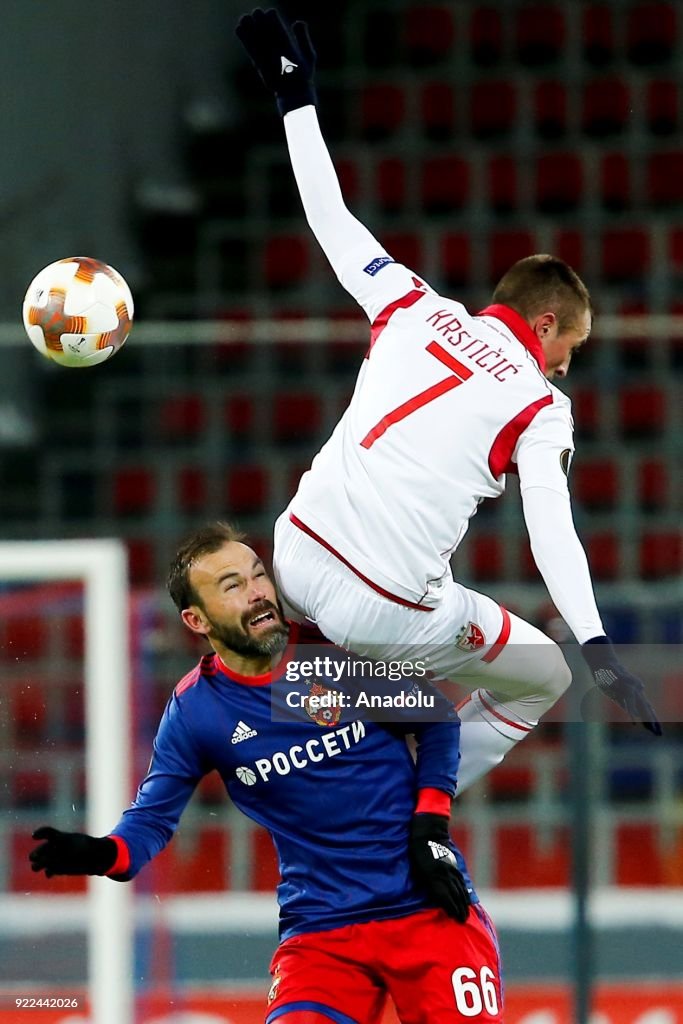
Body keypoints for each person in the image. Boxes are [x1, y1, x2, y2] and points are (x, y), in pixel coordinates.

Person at [235, 9, 661, 793]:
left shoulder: (410, 302)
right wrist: (596, 644)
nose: (567, 366)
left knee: (348, 684)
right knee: (540, 677)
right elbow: (549, 529)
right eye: (571, 345)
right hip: (383, 606)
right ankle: (407, 812)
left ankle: (303, 718)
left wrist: (294, 100)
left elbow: (331, 221)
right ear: (544, 324)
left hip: (291, 552)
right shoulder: (537, 403)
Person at [30, 522, 504, 1024]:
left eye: (259, 575)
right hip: (321, 933)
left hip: (428, 909)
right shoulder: (198, 712)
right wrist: (104, 851)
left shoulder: (334, 653)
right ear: (196, 619)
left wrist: (430, 827)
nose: (258, 594)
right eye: (232, 586)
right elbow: (150, 820)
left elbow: (434, 721)